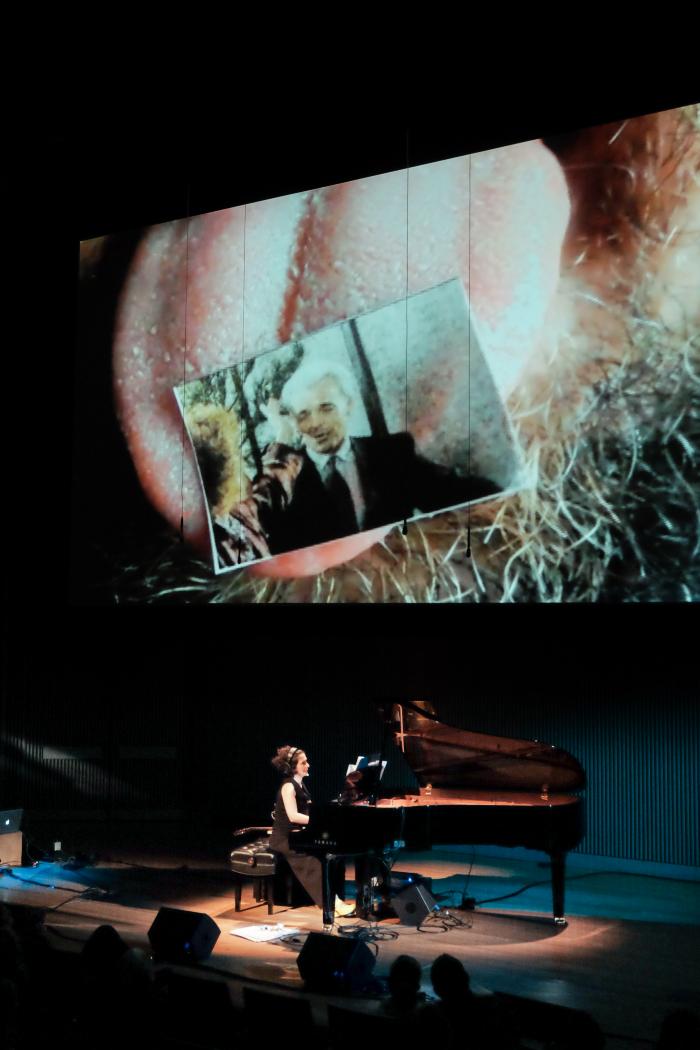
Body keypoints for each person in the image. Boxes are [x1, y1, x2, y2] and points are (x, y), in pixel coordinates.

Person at [216, 360, 498, 562]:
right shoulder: (285, 482)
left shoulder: (392, 452)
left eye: (326, 408)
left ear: (348, 406)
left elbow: (451, 491)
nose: (315, 424)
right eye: (303, 414)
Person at [269, 745, 354, 918]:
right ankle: (329, 904)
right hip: (284, 839)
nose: (308, 765)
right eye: (304, 763)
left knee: (331, 855)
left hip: (297, 836)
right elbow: (293, 816)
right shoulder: (289, 787)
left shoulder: (300, 784)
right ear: (293, 767)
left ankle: (336, 899)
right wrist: (319, 821)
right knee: (314, 861)